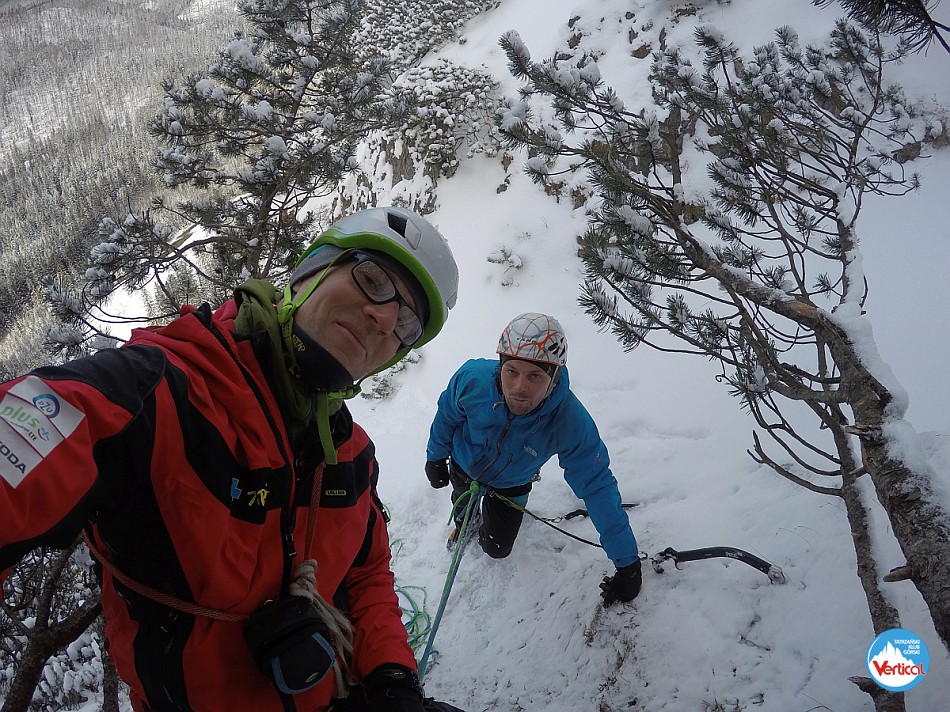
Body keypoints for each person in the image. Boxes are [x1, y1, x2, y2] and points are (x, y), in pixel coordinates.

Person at [0, 206, 465, 712]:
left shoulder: (350, 454)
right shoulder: (157, 396)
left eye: (408, 322)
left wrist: (392, 678)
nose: (386, 318)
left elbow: (367, 572)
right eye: (373, 279)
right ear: (311, 272)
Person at [424, 313, 642, 607]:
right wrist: (435, 458)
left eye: (535, 376)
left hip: (512, 484)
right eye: (511, 371)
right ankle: (466, 522)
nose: (519, 388)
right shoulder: (472, 380)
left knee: (497, 549)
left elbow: (597, 485)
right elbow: (446, 416)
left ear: (553, 377)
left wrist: (627, 562)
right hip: (464, 464)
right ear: (500, 365)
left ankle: (483, 530)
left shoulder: (568, 419)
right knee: (462, 505)